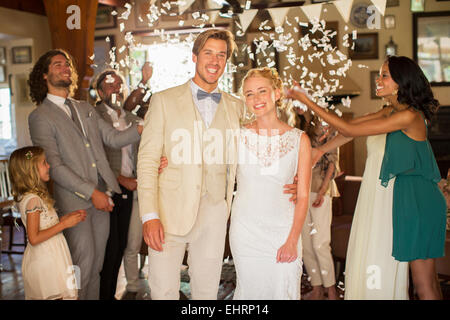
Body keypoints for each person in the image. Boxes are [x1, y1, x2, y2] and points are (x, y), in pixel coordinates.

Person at [138, 29, 297, 300]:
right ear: (195, 56)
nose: (215, 60)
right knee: (163, 291)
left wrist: (292, 177)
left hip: (214, 215)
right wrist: (149, 216)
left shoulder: (237, 106)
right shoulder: (163, 100)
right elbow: (147, 161)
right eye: (208, 53)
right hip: (168, 213)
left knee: (207, 292)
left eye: (221, 55)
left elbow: (266, 140)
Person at [287, 55, 447, 300]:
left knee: (423, 283)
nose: (378, 80)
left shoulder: (409, 116)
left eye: (384, 75)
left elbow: (349, 129)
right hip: (406, 199)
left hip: (418, 200)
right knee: (426, 281)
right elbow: (348, 128)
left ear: (400, 82)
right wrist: (321, 149)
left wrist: (307, 100)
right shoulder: (389, 112)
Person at [27, 49, 142, 300]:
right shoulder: (40, 116)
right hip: (74, 202)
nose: (65, 67)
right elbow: (55, 166)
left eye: (67, 64)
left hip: (102, 198)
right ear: (44, 75)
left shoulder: (84, 108)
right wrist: (92, 193)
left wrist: (144, 126)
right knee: (81, 266)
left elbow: (114, 138)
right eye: (58, 65)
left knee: (98, 267)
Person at [229, 67, 311, 300]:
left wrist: (292, 240)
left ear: (277, 93)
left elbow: (303, 196)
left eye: (262, 91)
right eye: (249, 94)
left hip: (284, 231)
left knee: (283, 291)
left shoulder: (299, 140)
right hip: (245, 232)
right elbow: (208, 168)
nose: (256, 99)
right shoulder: (236, 136)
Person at [94, 63, 152, 300]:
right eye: (109, 84)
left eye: (119, 84)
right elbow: (95, 157)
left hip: (129, 191)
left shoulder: (130, 117)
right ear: (99, 91)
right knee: (109, 250)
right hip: (107, 190)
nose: (116, 87)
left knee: (121, 246)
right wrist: (121, 180)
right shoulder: (93, 116)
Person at [8, 146, 87, 300]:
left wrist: (64, 220)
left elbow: (45, 224)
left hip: (53, 255)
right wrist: (63, 225)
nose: (49, 166)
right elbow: (34, 238)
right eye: (44, 163)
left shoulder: (35, 196)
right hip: (45, 261)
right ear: (31, 170)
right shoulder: (33, 200)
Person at [300, 112, 339, 300]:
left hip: (319, 189)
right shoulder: (294, 124)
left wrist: (323, 190)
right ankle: (316, 287)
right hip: (300, 191)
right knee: (306, 245)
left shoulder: (325, 124)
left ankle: (331, 289)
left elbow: (332, 160)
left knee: (320, 243)